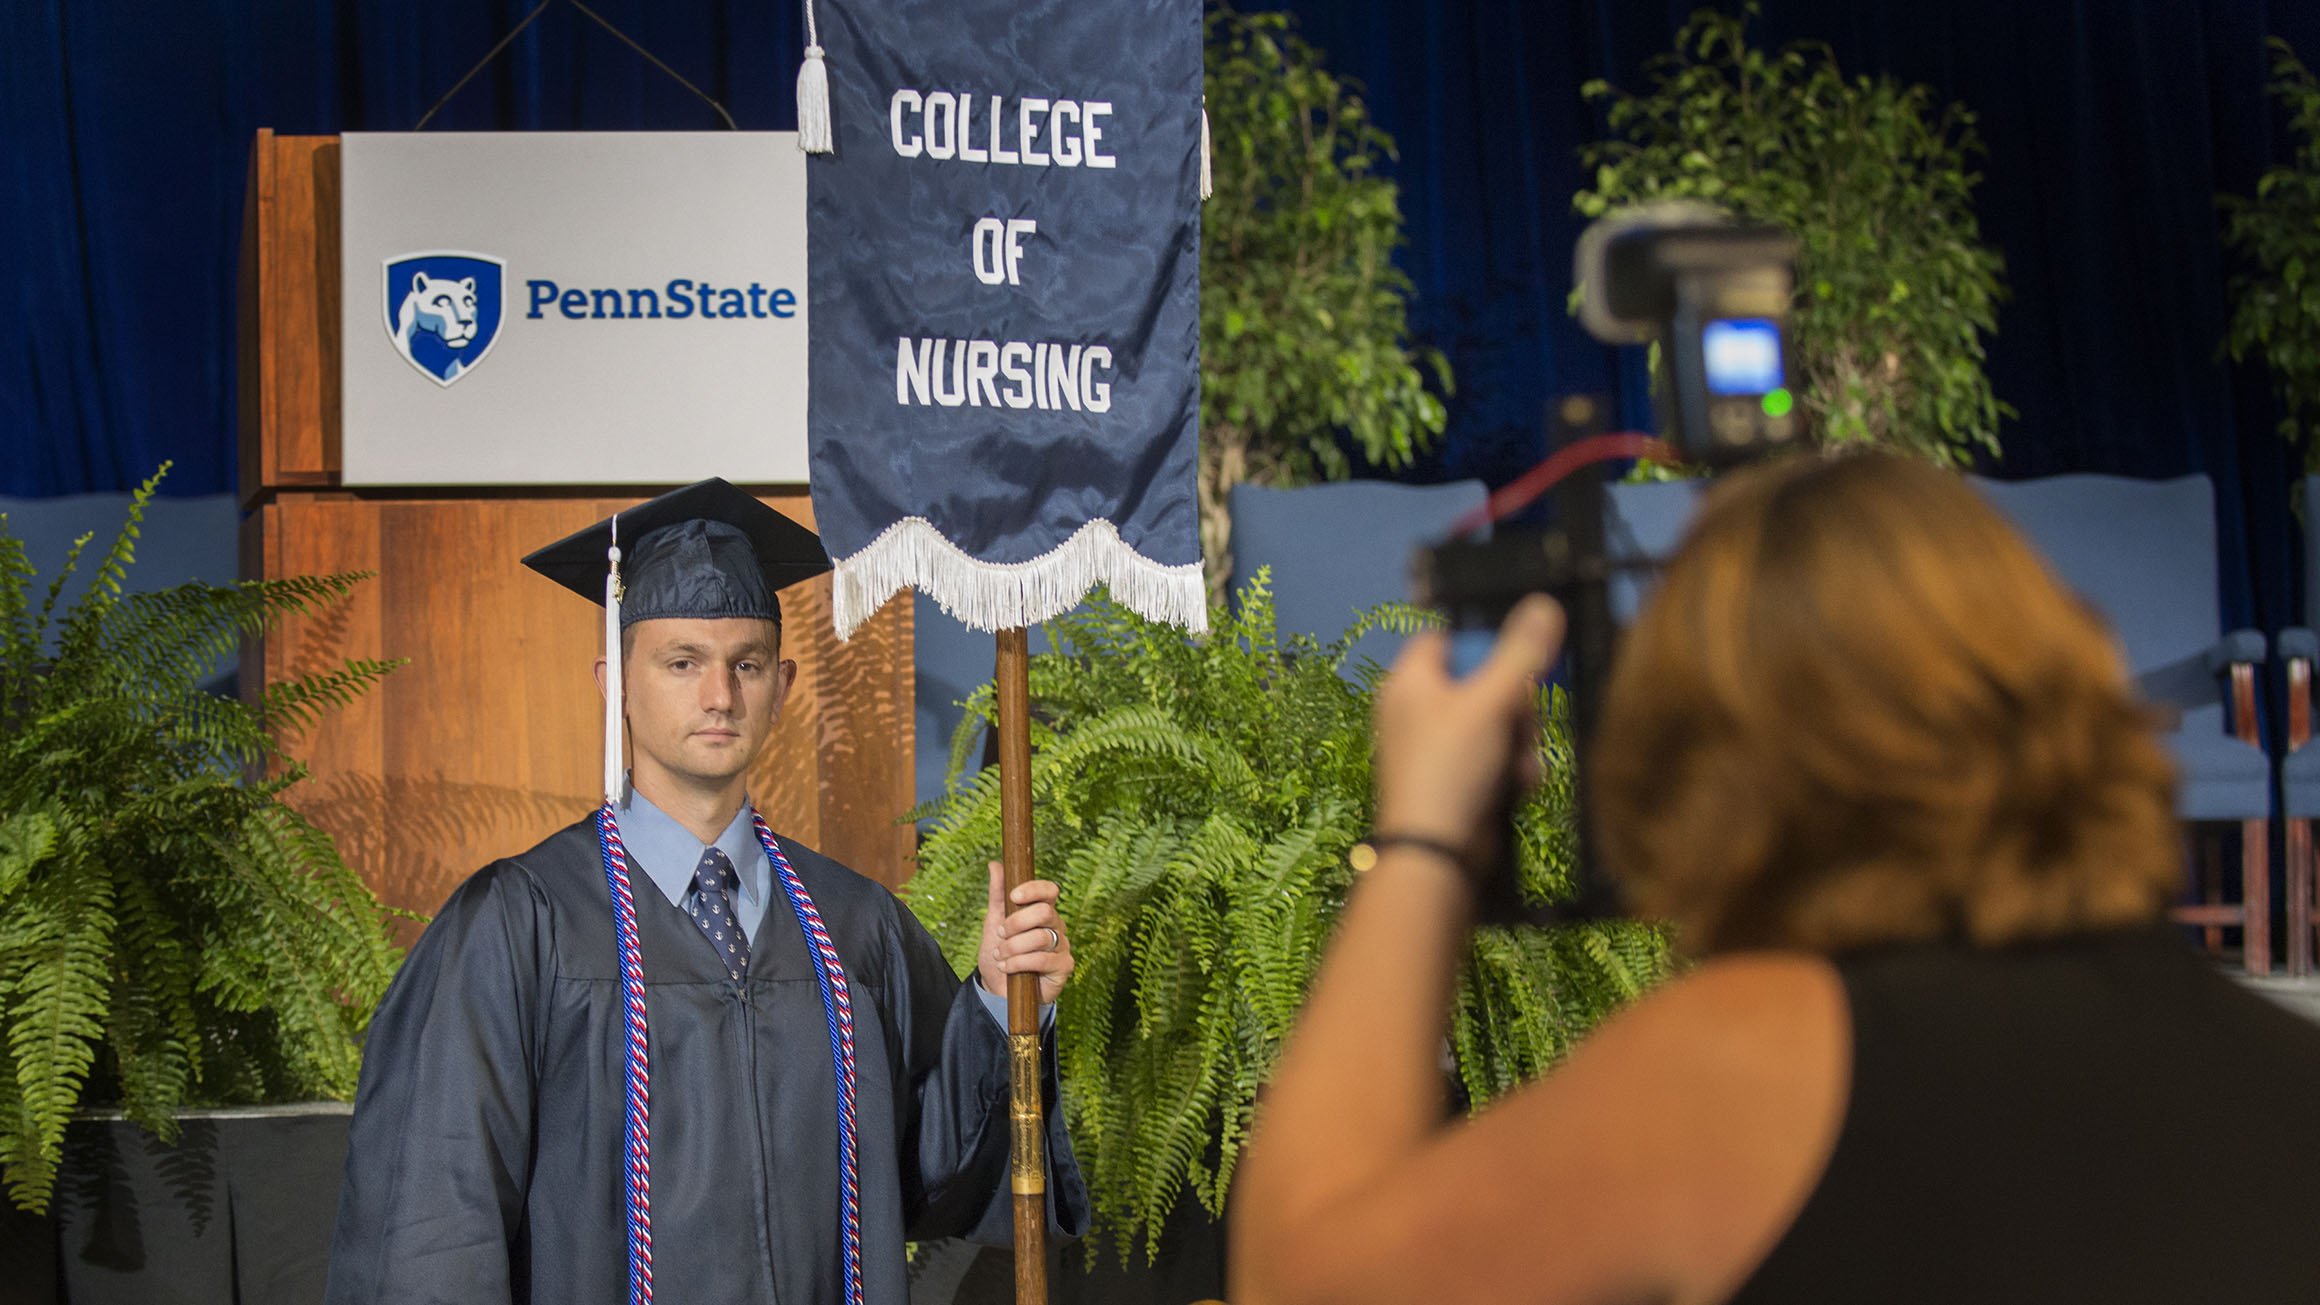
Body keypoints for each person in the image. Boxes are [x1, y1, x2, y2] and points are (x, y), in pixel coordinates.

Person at [1231, 452, 2320, 1305]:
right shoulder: (2286, 1066)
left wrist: (1424, 837)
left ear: (1700, 760)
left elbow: (1301, 1282)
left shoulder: (1747, 1066)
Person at [326, 479, 1088, 1305]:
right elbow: (433, 1228)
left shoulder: (854, 927)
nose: (719, 695)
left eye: (746, 664)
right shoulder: (519, 927)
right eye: (682, 661)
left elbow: (946, 1171)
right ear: (614, 681)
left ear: (783, 686)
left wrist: (1005, 1005)